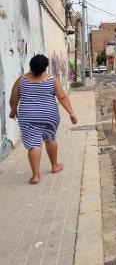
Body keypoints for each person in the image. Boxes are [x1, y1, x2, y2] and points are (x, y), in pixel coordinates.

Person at [9, 54, 78, 185]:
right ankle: (54, 166)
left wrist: (13, 110)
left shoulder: (21, 80)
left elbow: (13, 99)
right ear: (46, 67)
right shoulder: (52, 80)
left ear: (31, 65)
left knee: (34, 144)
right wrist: (72, 113)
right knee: (50, 138)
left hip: (28, 117)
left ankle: (35, 176)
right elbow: (62, 98)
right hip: (49, 115)